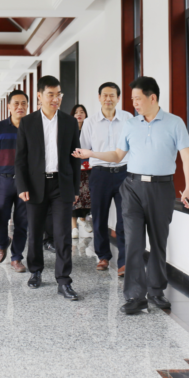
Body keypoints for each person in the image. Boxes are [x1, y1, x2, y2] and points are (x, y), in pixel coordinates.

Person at [73, 76, 189, 315]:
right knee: (133, 242)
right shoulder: (130, 124)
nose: (134, 103)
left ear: (153, 98)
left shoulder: (174, 123)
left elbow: (187, 156)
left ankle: (156, 291)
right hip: (132, 187)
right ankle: (135, 296)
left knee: (158, 242)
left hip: (161, 188)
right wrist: (92, 153)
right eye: (132, 99)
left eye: (138, 99)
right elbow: (118, 155)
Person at [15, 75, 81, 300]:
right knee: (35, 231)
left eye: (58, 94)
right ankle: (35, 271)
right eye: (50, 94)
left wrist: (75, 189)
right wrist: (22, 185)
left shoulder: (69, 122)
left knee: (63, 234)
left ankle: (64, 280)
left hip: (62, 184)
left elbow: (75, 158)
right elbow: (20, 159)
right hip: (35, 185)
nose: (55, 99)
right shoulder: (28, 122)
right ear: (39, 96)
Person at [79, 82, 132, 276]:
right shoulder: (90, 122)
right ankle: (102, 256)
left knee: (124, 218)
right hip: (99, 174)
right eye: (105, 95)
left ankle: (124, 261)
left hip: (124, 173)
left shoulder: (128, 119)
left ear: (118, 98)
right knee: (99, 216)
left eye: (112, 95)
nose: (108, 99)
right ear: (99, 98)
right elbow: (84, 149)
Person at [0, 89, 29, 272]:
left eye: (23, 103)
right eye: (16, 103)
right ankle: (2, 244)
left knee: (22, 222)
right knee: (1, 218)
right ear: (9, 106)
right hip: (3, 180)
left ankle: (16, 258)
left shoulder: (33, 127)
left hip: (26, 182)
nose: (20, 107)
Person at [70, 104, 93, 239]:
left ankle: (83, 219)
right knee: (74, 197)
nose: (79, 114)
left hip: (88, 168)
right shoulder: (69, 130)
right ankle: (74, 227)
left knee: (86, 196)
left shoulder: (90, 130)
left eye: (82, 112)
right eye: (76, 112)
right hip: (74, 169)